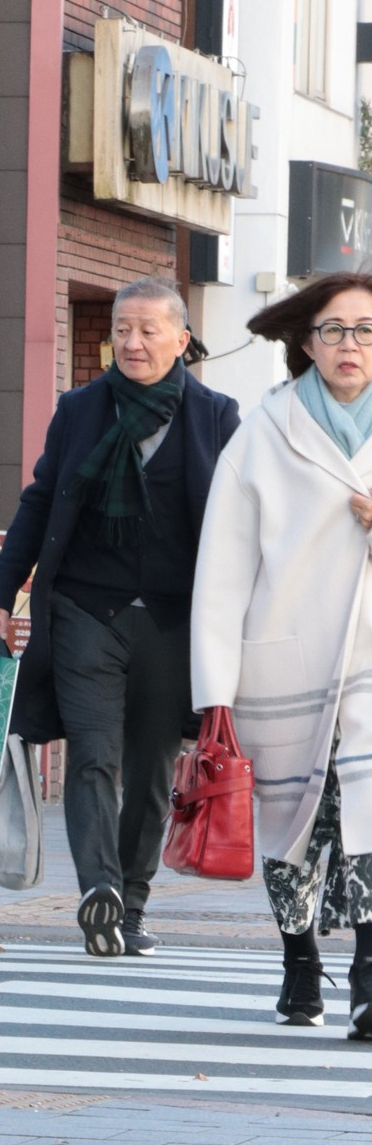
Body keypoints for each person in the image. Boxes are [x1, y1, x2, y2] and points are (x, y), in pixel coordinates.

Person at [0, 276, 239, 959]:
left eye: (149, 329)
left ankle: (134, 902)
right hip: (86, 609)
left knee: (152, 772)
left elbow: (243, 526)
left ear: (182, 340)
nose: (131, 341)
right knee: (93, 754)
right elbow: (38, 504)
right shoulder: (80, 410)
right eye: (122, 329)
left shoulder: (216, 418)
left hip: (173, 620)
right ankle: (101, 890)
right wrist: (0, 594)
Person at [192, 272, 372, 1032]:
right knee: (289, 828)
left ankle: (366, 973)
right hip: (284, 659)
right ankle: (301, 959)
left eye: (366, 330)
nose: (351, 345)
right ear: (306, 343)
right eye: (334, 330)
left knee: (368, 817)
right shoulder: (262, 432)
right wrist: (215, 693)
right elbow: (224, 570)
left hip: (366, 657)